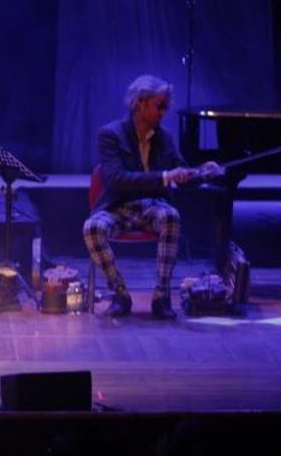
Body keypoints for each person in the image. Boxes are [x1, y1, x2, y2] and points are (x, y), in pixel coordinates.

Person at [83, 75, 220, 319]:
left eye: (166, 106)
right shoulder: (110, 134)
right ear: (140, 103)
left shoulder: (164, 138)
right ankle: (120, 294)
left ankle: (161, 296)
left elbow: (181, 170)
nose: (164, 112)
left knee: (171, 217)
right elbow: (116, 179)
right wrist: (166, 176)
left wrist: (201, 172)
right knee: (92, 228)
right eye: (160, 105)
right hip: (118, 207)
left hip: (152, 207)